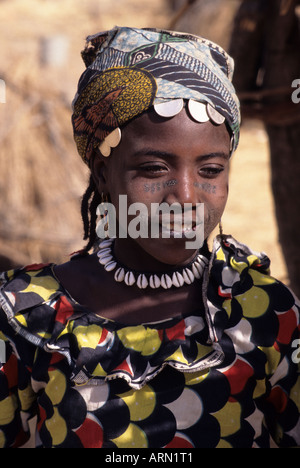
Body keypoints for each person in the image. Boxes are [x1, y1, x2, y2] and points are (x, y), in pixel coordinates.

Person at [0, 26, 299, 449]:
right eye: (155, 169)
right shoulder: (27, 314)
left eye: (210, 171)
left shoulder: (264, 312)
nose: (186, 197)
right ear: (103, 174)